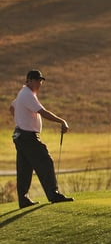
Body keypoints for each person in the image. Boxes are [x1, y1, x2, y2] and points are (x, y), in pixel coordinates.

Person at [9, 70, 74, 208]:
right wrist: (62, 121)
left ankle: (23, 199)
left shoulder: (24, 93)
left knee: (25, 168)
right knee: (45, 161)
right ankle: (54, 194)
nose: (40, 84)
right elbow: (43, 112)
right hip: (28, 137)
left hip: (21, 136)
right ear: (29, 80)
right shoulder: (27, 94)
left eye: (41, 81)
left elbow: (11, 107)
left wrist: (19, 121)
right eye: (38, 80)